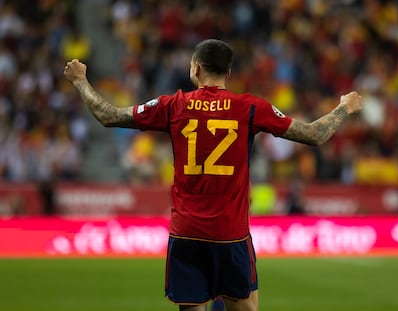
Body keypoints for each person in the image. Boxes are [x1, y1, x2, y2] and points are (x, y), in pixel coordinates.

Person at [64, 39, 362, 311]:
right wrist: (343, 108)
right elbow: (314, 134)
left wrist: (80, 81)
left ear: (195, 67)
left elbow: (108, 115)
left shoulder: (173, 105)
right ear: (228, 73)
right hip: (230, 234)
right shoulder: (250, 108)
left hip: (186, 233)